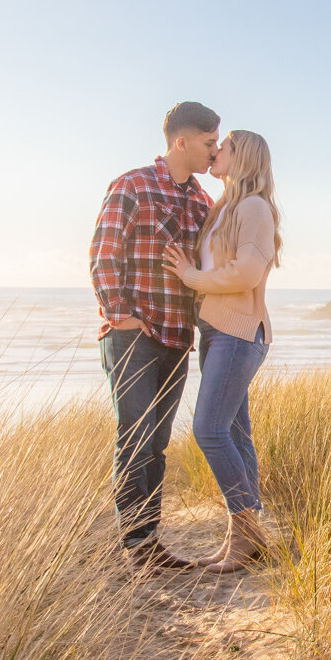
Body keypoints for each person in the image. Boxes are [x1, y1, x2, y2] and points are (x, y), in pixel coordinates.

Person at [90, 102, 219, 569]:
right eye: (209, 143)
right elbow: (104, 253)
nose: (215, 151)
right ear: (181, 142)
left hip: (176, 339)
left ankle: (149, 542)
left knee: (158, 444)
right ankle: (135, 547)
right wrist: (120, 315)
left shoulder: (203, 200)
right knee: (135, 437)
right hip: (133, 335)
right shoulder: (132, 184)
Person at [163, 129, 280, 573]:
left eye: (223, 146)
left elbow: (247, 272)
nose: (215, 151)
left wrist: (191, 277)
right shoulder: (223, 208)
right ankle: (245, 538)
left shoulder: (254, 208)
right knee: (234, 433)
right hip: (217, 331)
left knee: (210, 430)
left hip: (238, 331)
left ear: (242, 156)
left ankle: (247, 534)